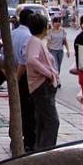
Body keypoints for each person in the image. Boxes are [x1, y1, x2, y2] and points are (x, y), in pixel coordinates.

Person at [25, 12, 61, 150]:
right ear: (44, 28)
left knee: (43, 120)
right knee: (52, 121)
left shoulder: (36, 41)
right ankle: (46, 150)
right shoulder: (35, 41)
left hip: (43, 86)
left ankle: (40, 149)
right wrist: (48, 74)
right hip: (41, 86)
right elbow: (32, 60)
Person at [10, 8, 37, 152]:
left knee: (17, 108)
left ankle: (15, 138)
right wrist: (17, 78)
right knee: (28, 111)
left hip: (15, 75)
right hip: (24, 77)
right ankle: (28, 141)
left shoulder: (12, 34)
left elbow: (5, 57)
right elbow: (24, 62)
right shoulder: (29, 37)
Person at [46, 15, 69, 81]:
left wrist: (67, 50)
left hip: (60, 51)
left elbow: (65, 41)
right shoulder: (50, 31)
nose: (57, 23)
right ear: (53, 23)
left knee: (58, 66)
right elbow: (48, 42)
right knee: (55, 66)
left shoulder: (63, 31)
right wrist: (46, 51)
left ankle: (56, 78)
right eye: (56, 22)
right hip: (52, 51)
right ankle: (56, 80)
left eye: (59, 22)